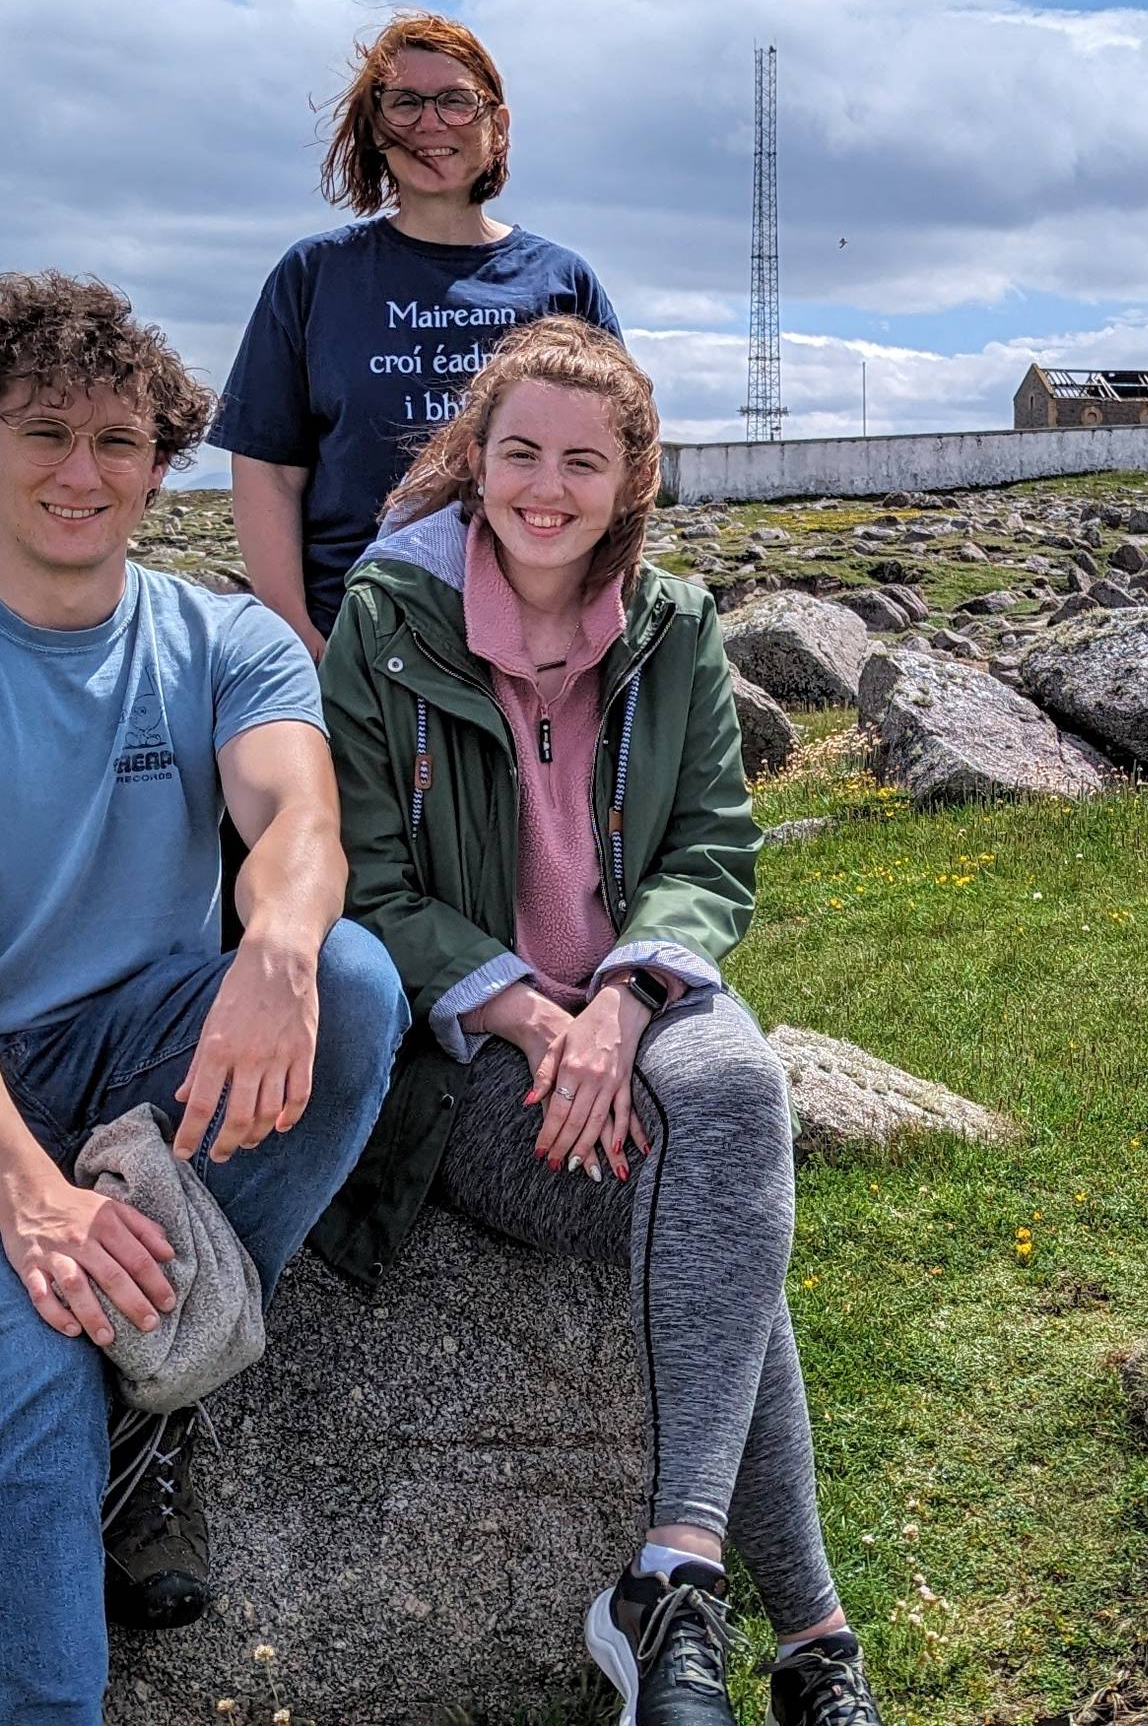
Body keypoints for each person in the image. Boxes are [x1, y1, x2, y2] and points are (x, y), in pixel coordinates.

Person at [0, 271, 407, 1726]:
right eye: (44, 433)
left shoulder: (228, 641)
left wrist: (279, 949)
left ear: (162, 461)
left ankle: (157, 1370)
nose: (82, 474)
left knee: (359, 980)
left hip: (132, 1056)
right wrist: (28, 1199)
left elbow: (299, 824)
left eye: (119, 441)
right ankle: (122, 1421)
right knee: (31, 1370)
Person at [306, 316, 882, 1726]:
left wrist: (619, 1004)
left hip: (639, 998)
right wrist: (524, 1016)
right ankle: (814, 1639)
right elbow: (365, 878)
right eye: (518, 454)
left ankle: (670, 1571)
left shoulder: (677, 620)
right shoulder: (384, 623)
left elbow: (708, 850)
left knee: (734, 1105)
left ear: (631, 475)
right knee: (716, 1212)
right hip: (467, 1050)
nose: (545, 487)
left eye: (582, 459)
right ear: (475, 461)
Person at [211, 10, 621, 660]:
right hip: (352, 639)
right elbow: (268, 471)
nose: (431, 124)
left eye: (456, 101)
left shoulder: (563, 283)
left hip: (529, 651)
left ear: (499, 125)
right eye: (404, 103)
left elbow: (620, 466)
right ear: (376, 128)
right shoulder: (314, 276)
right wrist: (304, 642)